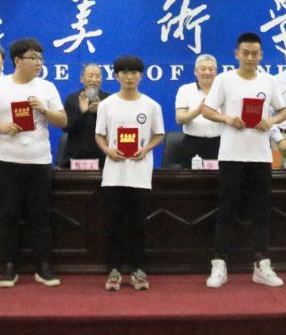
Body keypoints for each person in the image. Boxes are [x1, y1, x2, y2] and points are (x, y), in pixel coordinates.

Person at [0, 38, 68, 288]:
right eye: (33, 58)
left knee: (41, 214)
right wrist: (1, 127)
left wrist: (44, 110)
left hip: (39, 160)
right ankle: (9, 265)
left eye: (40, 58)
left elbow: (62, 121)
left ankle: (43, 266)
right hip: (7, 160)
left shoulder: (47, 87)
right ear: (17, 60)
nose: (38, 63)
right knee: (8, 213)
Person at [201, 32, 286, 288]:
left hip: (260, 156)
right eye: (245, 53)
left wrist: (271, 121)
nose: (250, 58)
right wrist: (226, 119)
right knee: (227, 209)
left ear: (261, 55)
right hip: (231, 155)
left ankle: (262, 264)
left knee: (261, 211)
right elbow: (206, 109)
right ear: (236, 54)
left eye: (255, 53)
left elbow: (283, 111)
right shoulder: (224, 79)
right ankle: (219, 264)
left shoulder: (269, 81)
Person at [95, 55, 165, 291]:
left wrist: (146, 149)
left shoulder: (151, 105)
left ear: (141, 76)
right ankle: (114, 269)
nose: (129, 77)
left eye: (134, 72)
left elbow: (159, 134)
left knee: (138, 225)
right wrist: (107, 150)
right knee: (113, 224)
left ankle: (137, 269)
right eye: (124, 72)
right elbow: (99, 135)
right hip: (113, 173)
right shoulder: (106, 105)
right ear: (116, 76)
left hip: (140, 174)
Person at [174, 54, 222, 165]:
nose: (207, 72)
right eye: (203, 69)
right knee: (190, 176)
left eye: (211, 69)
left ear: (216, 72)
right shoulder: (185, 90)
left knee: (220, 176)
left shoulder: (223, 90)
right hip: (192, 144)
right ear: (195, 71)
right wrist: (199, 110)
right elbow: (179, 119)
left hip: (219, 143)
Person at [62, 63, 111, 167]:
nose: (94, 80)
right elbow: (66, 128)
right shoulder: (72, 99)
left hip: (102, 156)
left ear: (101, 79)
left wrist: (100, 112)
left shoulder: (108, 100)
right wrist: (81, 111)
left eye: (97, 76)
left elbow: (114, 129)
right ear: (82, 79)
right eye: (90, 76)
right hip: (76, 157)